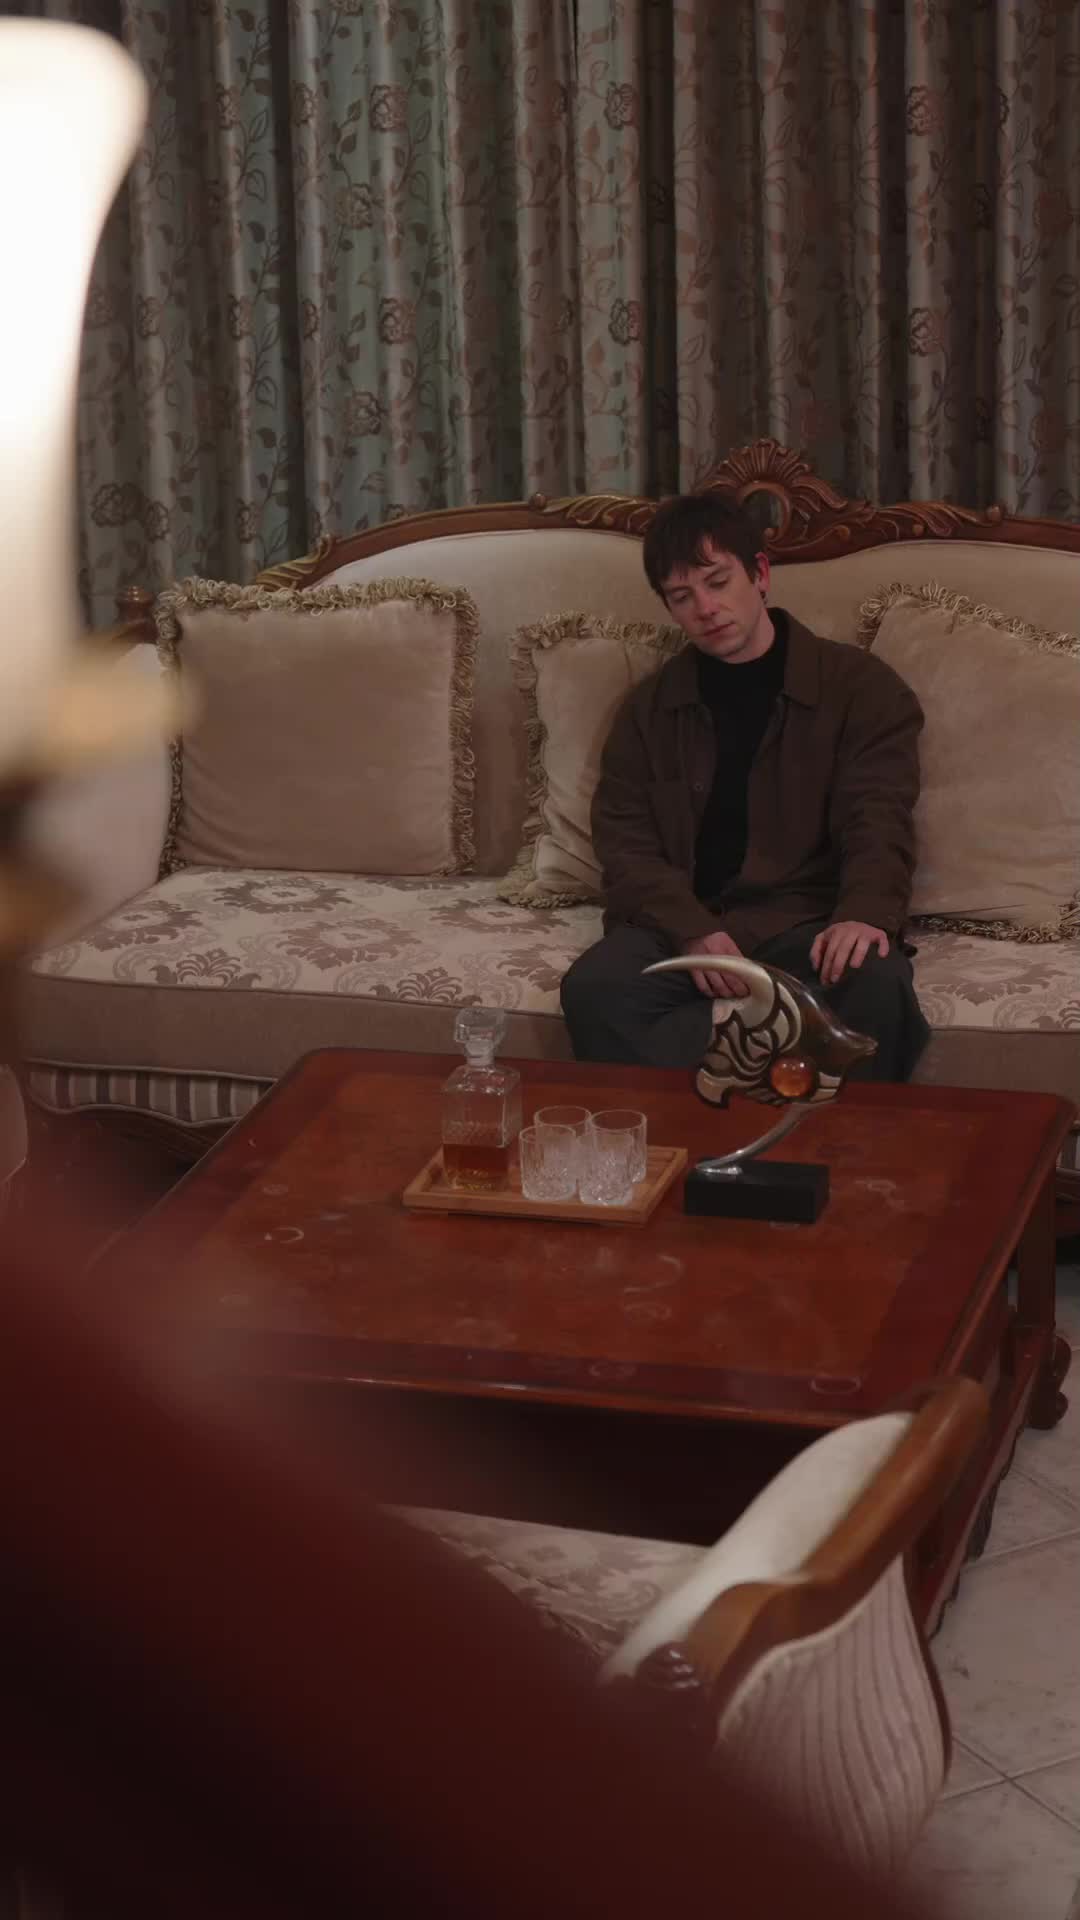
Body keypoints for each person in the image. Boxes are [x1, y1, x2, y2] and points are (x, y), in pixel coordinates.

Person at [560, 490, 931, 1079]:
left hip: (805, 920)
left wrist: (863, 912)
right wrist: (692, 930)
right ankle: (720, 1115)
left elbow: (879, 816)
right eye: (682, 596)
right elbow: (625, 842)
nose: (705, 608)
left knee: (877, 985)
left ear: (759, 574)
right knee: (596, 990)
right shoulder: (649, 709)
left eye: (717, 581)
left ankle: (811, 1126)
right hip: (687, 921)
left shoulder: (862, 689)